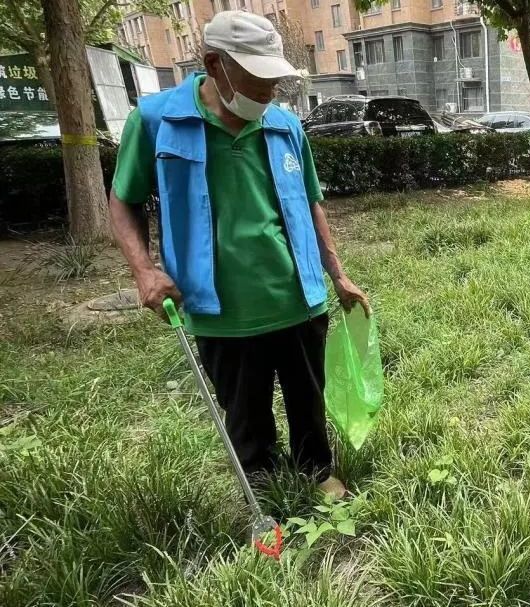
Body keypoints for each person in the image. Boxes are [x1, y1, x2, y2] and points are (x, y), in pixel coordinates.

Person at [109, 11, 369, 499]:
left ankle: (317, 471)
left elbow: (311, 202)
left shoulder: (286, 125)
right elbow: (123, 199)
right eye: (257, 79)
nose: (269, 92)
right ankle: (263, 489)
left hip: (298, 297)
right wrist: (144, 270)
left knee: (308, 398)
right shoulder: (155, 120)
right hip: (220, 309)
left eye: (274, 80)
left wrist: (338, 275)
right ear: (214, 64)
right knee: (245, 411)